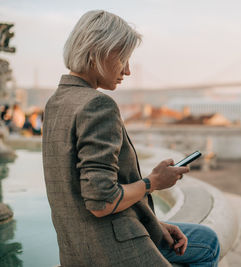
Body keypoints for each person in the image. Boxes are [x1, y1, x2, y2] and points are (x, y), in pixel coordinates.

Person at [42, 10, 220, 267]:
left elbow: (78, 190)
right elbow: (101, 201)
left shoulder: (55, 102)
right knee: (207, 247)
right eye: (123, 58)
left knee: (205, 239)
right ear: (98, 51)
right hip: (114, 251)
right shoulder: (98, 105)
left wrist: (154, 223)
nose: (127, 70)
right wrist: (154, 182)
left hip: (76, 249)